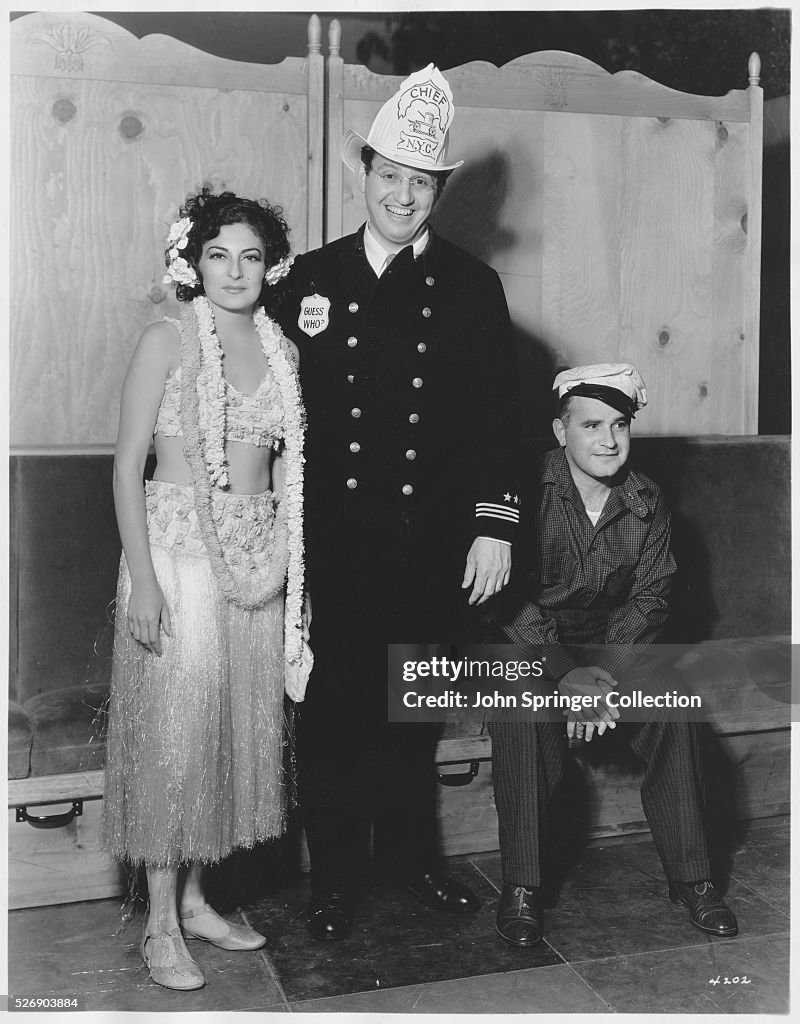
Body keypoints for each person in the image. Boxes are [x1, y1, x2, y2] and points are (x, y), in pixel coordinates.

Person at [277, 65, 520, 940]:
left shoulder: (472, 287)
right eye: (390, 177)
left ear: (437, 194)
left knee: (408, 710)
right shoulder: (305, 279)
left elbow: (502, 417)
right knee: (335, 713)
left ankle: (415, 860)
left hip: (426, 541)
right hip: (333, 543)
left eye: (421, 183)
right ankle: (334, 880)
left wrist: (494, 528)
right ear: (365, 175)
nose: (403, 195)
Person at [102, 188, 306, 990]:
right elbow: (125, 468)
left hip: (258, 558)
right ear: (194, 260)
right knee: (174, 739)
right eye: (218, 254)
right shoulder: (166, 338)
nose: (234, 270)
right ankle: (156, 923)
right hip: (177, 554)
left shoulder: (281, 350)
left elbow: (288, 467)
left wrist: (296, 571)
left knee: (226, 732)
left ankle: (193, 899)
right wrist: (144, 582)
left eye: (250, 256)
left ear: (271, 266)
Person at [488, 363, 739, 947]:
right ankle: (522, 887)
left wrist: (604, 674)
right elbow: (505, 603)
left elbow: (653, 600)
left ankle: (694, 878)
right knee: (520, 705)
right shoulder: (522, 492)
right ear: (560, 431)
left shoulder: (646, 500)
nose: (608, 440)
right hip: (533, 641)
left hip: (612, 645)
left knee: (674, 704)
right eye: (592, 425)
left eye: (620, 425)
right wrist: (564, 672)